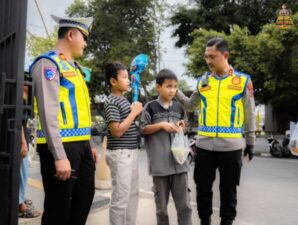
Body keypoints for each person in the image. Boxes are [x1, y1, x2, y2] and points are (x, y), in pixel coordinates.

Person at [175, 37, 256, 225]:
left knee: (228, 192)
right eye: (206, 57)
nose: (209, 61)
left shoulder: (243, 81)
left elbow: (249, 113)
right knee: (202, 190)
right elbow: (190, 104)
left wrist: (250, 142)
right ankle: (205, 222)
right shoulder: (203, 81)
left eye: (213, 56)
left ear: (225, 55)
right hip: (204, 146)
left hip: (231, 147)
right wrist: (175, 90)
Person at [30, 15, 98, 225]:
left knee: (83, 200)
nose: (86, 44)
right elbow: (48, 112)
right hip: (60, 146)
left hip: (81, 146)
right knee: (59, 208)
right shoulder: (48, 64)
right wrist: (59, 155)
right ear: (71, 34)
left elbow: (80, 111)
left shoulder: (74, 68)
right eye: (84, 38)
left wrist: (89, 143)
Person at [140, 69, 192, 225]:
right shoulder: (150, 107)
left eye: (175, 87)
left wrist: (182, 125)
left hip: (180, 165)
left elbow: (185, 126)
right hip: (160, 167)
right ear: (158, 87)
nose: (173, 90)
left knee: (185, 207)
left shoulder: (179, 107)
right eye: (169, 86)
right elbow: (142, 129)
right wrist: (161, 125)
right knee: (161, 209)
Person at [104, 62, 143, 225]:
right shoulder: (111, 101)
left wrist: (134, 111)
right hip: (120, 154)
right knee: (120, 200)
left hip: (131, 152)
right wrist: (133, 113)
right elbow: (117, 131)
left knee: (133, 195)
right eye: (124, 77)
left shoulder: (125, 100)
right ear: (113, 81)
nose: (128, 80)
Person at [18, 85, 41, 218]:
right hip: (20, 140)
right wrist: (23, 143)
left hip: (22, 138)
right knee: (22, 173)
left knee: (23, 172)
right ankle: (20, 204)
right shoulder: (20, 96)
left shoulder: (25, 97)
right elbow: (18, 122)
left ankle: (20, 198)